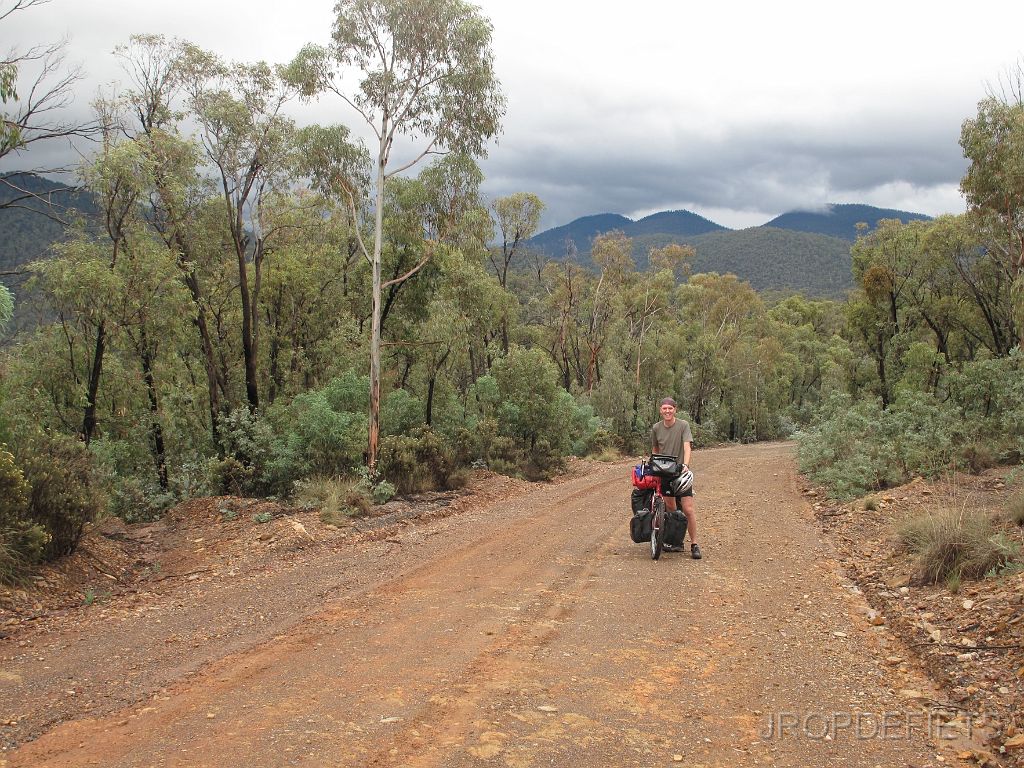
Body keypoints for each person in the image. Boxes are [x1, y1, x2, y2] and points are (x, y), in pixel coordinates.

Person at [651, 397, 701, 559]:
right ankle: (676, 541)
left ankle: (694, 544)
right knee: (671, 509)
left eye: (670, 409)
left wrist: (685, 464)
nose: (667, 411)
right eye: (664, 408)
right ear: (660, 410)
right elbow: (655, 449)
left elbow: (687, 446)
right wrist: (654, 465)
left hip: (681, 472)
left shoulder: (683, 425)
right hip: (664, 473)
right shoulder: (656, 428)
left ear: (675, 410)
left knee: (688, 509)